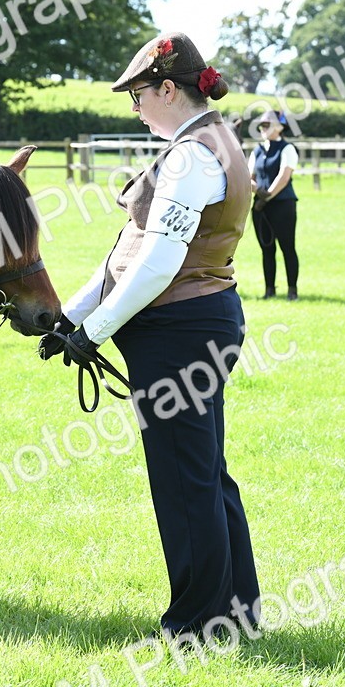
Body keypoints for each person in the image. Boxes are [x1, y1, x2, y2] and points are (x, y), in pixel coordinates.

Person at [39, 32, 260, 640]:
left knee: (184, 480)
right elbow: (127, 253)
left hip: (178, 329)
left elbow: (160, 263)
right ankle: (238, 610)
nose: (134, 108)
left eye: (138, 95)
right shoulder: (204, 142)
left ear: (169, 88)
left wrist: (94, 331)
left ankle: (200, 625)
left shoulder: (191, 155)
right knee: (205, 473)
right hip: (195, 321)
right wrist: (71, 318)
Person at [249, 109, 299, 300]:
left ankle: (292, 290)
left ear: (279, 127)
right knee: (266, 248)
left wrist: (267, 196)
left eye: (267, 124)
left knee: (287, 247)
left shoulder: (287, 149)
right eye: (261, 125)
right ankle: (269, 289)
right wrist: (257, 192)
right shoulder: (257, 151)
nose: (263, 128)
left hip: (282, 204)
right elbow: (249, 177)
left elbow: (284, 177)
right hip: (261, 207)